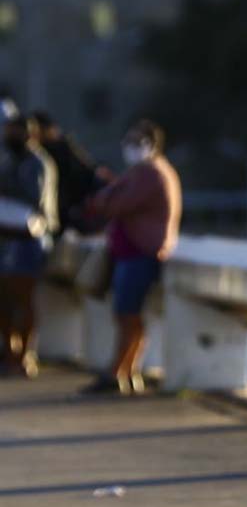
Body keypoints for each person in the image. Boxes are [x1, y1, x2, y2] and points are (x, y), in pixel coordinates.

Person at [83, 120, 181, 395]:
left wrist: (104, 195)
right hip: (132, 253)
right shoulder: (144, 171)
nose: (130, 147)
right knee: (127, 314)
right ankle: (124, 371)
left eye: (137, 142)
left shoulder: (150, 172)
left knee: (127, 313)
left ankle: (120, 371)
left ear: (152, 144)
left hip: (140, 254)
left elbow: (114, 203)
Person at [0, 101, 58, 378]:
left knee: (22, 299)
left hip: (29, 240)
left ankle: (24, 354)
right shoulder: (11, 159)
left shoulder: (38, 163)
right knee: (5, 301)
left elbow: (33, 199)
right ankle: (10, 352)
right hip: (8, 238)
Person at [31, 111, 109, 235]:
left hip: (68, 211)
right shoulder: (37, 153)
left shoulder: (61, 149)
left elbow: (84, 174)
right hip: (58, 211)